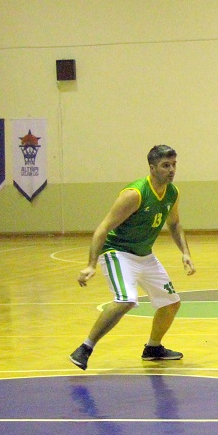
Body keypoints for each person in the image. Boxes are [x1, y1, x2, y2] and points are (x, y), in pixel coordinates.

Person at [69, 144, 195, 370]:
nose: (171, 170)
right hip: (118, 252)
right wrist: (90, 265)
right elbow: (102, 228)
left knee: (171, 303)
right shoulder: (134, 194)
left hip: (145, 255)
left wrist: (185, 252)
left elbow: (174, 224)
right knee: (126, 299)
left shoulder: (172, 192)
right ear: (152, 168)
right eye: (165, 165)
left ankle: (153, 348)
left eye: (174, 165)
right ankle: (85, 348)